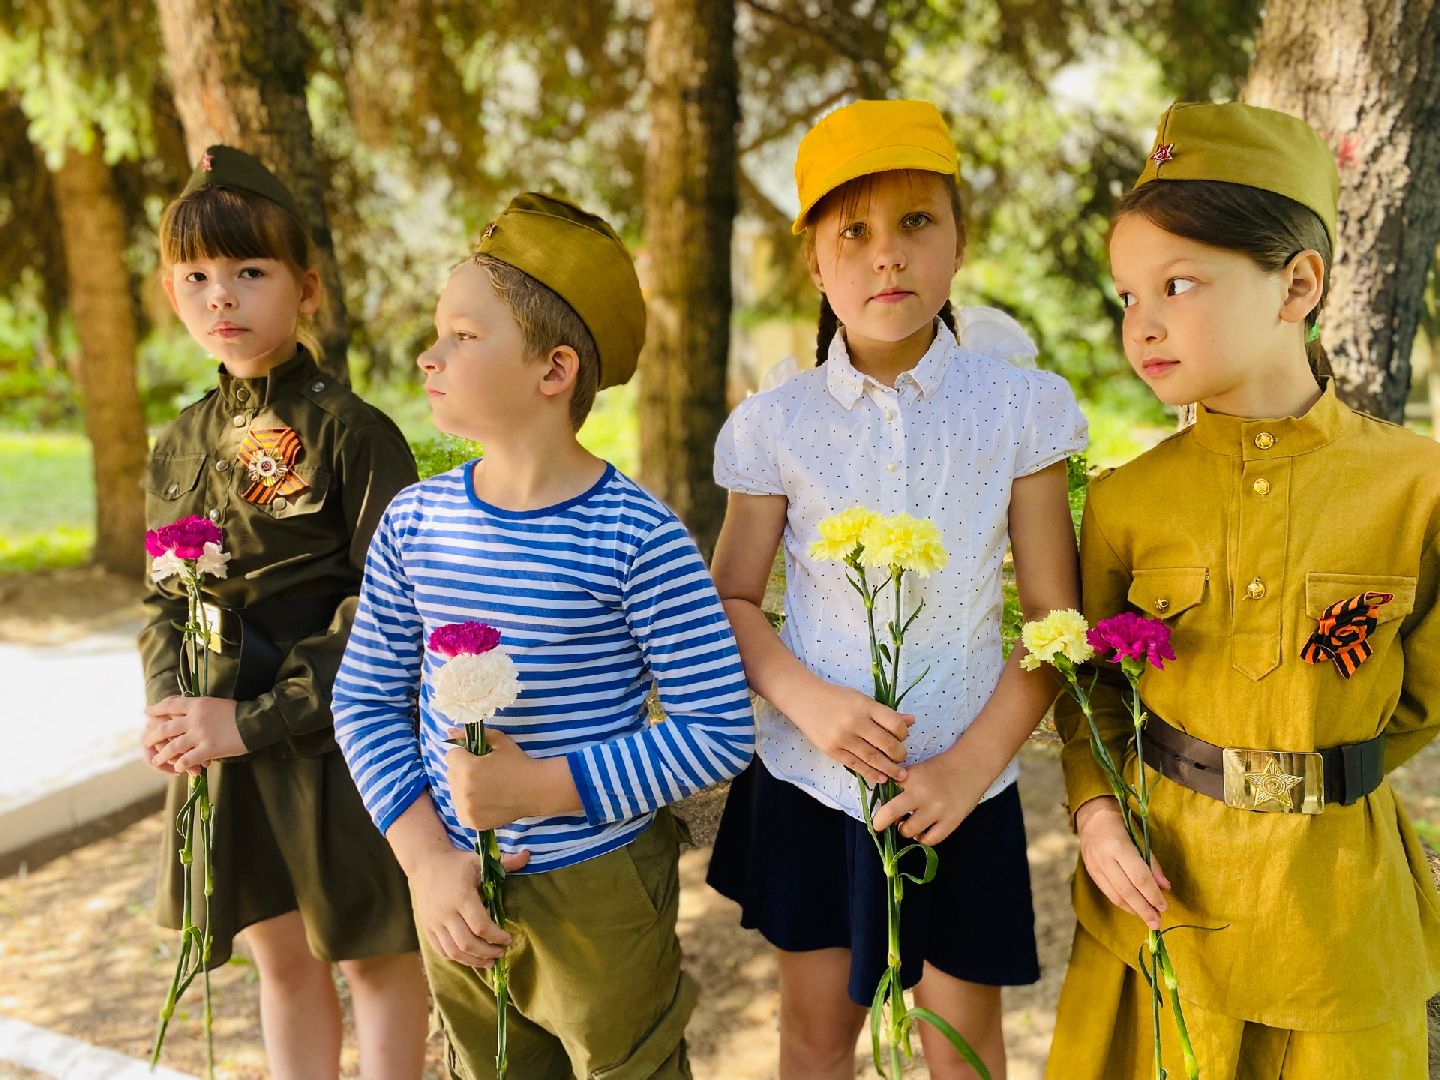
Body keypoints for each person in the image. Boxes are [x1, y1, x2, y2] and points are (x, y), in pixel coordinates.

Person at [1047, 100, 1440, 1079]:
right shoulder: (1127, 499)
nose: (1145, 325)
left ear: (1296, 284)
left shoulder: (1418, 487)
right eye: (1128, 296)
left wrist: (1319, 773)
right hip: (1166, 911)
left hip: (1337, 924)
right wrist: (1098, 815)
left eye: (1178, 284)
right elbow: (1089, 685)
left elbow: (1425, 697)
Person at [704, 98, 1089, 1079]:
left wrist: (967, 770)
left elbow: (1054, 623)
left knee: (961, 1045)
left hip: (967, 782)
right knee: (817, 1036)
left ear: (959, 240)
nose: (887, 256)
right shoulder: (777, 425)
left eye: (917, 222)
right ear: (816, 264)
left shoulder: (1019, 411)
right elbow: (733, 600)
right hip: (813, 782)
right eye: (855, 232)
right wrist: (812, 703)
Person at [331, 192, 756, 1079]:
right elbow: (366, 701)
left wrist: (539, 785)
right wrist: (426, 861)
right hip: (451, 887)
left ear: (553, 369)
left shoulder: (638, 537)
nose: (428, 355)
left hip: (600, 889)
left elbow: (718, 732)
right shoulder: (414, 525)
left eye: (462, 336)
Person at [138, 145, 426, 1080]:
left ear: (306, 288)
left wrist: (257, 718)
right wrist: (175, 713)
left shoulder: (353, 433)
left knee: (376, 954)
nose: (220, 296)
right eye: (196, 276)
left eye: (249, 272)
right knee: (279, 953)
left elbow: (388, 611)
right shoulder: (180, 441)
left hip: (335, 744)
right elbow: (162, 602)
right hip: (223, 753)